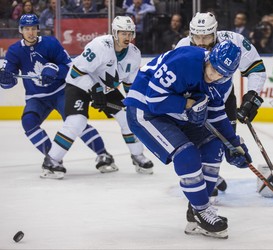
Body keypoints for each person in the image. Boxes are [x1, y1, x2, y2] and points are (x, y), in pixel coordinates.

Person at [125, 40, 252, 239]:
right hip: (145, 110)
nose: (214, 76)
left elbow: (217, 114)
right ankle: (202, 211)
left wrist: (233, 144)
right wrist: (189, 104)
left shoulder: (222, 81)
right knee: (187, 154)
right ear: (210, 58)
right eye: (213, 70)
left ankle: (197, 215)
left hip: (176, 112)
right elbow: (154, 100)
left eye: (222, 74)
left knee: (214, 145)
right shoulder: (185, 61)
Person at [0, 14, 115, 179]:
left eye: (33, 28)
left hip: (61, 92)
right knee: (28, 122)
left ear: (38, 29)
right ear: (21, 30)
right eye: (27, 29)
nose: (30, 32)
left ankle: (104, 155)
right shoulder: (14, 51)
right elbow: (8, 81)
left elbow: (70, 67)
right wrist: (5, 79)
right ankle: (53, 159)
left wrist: (54, 69)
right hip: (36, 97)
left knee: (77, 121)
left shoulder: (50, 43)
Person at [40, 16, 154, 179]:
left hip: (105, 88)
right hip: (79, 84)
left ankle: (137, 156)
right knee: (76, 122)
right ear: (115, 33)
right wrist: (94, 89)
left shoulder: (134, 54)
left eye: (130, 33)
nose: (127, 37)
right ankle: (51, 161)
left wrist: (133, 104)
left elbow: (130, 85)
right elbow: (75, 72)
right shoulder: (99, 46)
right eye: (123, 33)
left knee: (128, 118)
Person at [175, 12, 266, 195]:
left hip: (223, 99)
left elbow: (256, 68)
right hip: (194, 100)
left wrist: (252, 98)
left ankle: (211, 175)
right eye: (197, 36)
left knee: (226, 144)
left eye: (206, 36)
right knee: (197, 143)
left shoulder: (234, 41)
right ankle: (207, 180)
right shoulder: (183, 46)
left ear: (215, 33)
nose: (201, 42)